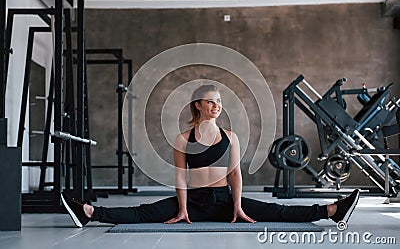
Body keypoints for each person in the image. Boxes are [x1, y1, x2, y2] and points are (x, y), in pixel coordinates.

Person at [61, 84, 359, 228]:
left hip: (225, 201)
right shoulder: (183, 138)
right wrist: (181, 209)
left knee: (275, 211)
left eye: (219, 101)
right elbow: (180, 176)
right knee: (143, 212)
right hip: (192, 200)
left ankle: (333, 211)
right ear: (198, 105)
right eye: (210, 101)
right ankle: (88, 214)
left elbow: (236, 175)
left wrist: (239, 207)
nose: (216, 105)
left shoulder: (231, 137)